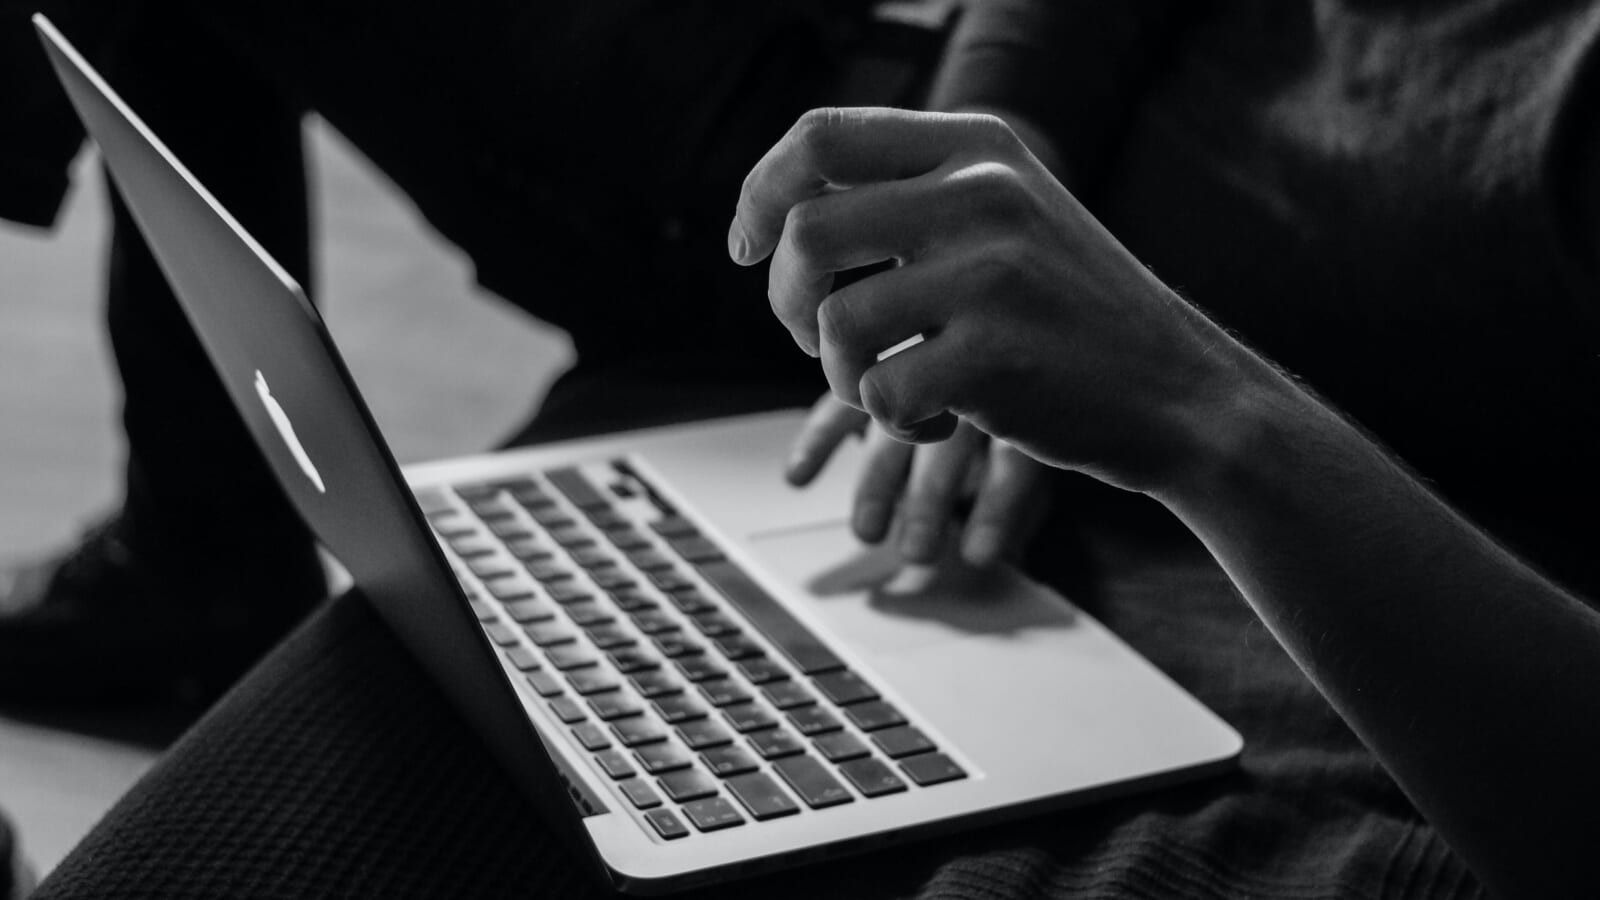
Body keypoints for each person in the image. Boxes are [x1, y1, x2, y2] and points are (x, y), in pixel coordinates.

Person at [730, 104, 1600, 900]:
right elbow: (1038, 56)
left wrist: (1202, 407)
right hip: (1017, 564)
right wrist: (943, 273)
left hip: (1371, 747)